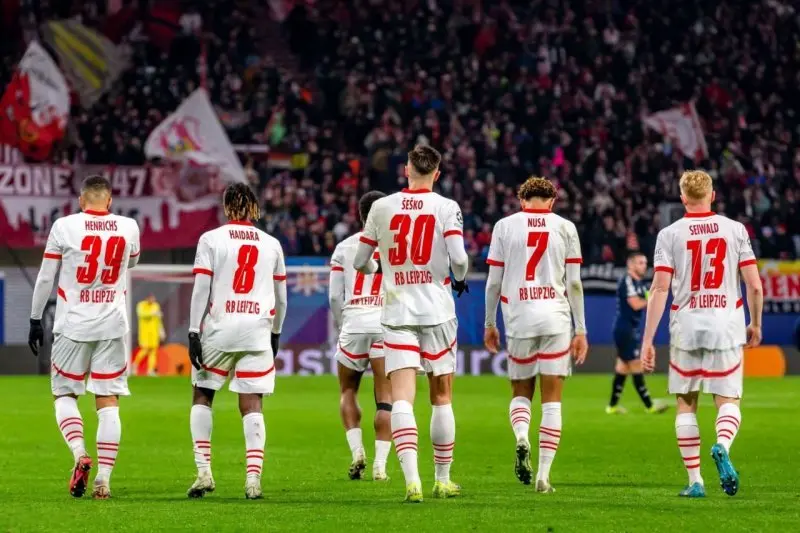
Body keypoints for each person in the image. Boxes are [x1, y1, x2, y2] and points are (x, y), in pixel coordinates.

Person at [353, 144, 469, 503]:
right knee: (441, 396)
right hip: (437, 312)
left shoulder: (381, 207)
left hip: (398, 313)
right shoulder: (447, 207)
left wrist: (377, 267)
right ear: (437, 173)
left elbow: (360, 261)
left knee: (402, 397)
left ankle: (412, 482)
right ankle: (442, 480)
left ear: (406, 170)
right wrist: (459, 277)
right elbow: (459, 258)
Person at [641, 170, 763, 498]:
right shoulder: (735, 229)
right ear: (712, 195)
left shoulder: (669, 234)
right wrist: (755, 323)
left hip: (687, 327)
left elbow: (660, 288)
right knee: (727, 399)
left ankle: (695, 481)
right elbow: (754, 284)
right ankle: (722, 444)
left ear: (682, 198)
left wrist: (648, 340)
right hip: (726, 325)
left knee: (686, 403)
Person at [28, 175, 141, 499]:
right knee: (108, 401)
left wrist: (35, 319)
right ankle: (103, 480)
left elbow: (46, 276)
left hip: (73, 325)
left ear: (81, 200)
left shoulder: (64, 226)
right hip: (112, 326)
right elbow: (132, 262)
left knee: (64, 394)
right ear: (109, 201)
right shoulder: (129, 226)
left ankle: (80, 453)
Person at [483, 176, 589, 493]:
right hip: (556, 318)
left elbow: (493, 282)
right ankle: (543, 476)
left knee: (521, 391)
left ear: (522, 201)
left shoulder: (505, 226)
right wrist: (581, 329)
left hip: (519, 318)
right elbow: (574, 284)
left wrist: (489, 322)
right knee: (552, 400)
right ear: (552, 202)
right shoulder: (565, 227)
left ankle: (521, 437)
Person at [185, 183, 288, 500]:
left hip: (220, 328)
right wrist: (276, 332)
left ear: (227, 207)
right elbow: (282, 298)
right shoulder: (272, 244)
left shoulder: (211, 239)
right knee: (252, 403)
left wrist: (193, 330)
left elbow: (201, 288)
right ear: (254, 208)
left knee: (203, 394)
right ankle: (253, 481)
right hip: (257, 330)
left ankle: (204, 473)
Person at [329, 191, 392, 481]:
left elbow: (334, 296)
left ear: (360, 215)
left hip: (353, 322)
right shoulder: (394, 245)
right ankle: (380, 466)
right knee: (386, 399)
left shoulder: (344, 247)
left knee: (348, 391)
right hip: (385, 323)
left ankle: (357, 452)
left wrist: (342, 323)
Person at [606, 251, 667, 414]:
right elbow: (635, 303)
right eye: (640, 263)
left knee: (622, 368)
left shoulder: (640, 283)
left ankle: (612, 407)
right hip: (625, 329)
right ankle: (649, 406)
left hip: (631, 328)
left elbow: (646, 301)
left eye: (645, 263)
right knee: (636, 365)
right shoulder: (627, 280)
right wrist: (653, 299)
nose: (644, 266)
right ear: (630, 264)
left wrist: (651, 299)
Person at [133, 294, 164, 376]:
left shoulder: (156, 305)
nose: (153, 300)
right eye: (151, 299)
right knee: (145, 349)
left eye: (154, 299)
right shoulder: (141, 305)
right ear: (147, 298)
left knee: (153, 351)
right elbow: (141, 314)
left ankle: (150, 370)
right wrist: (152, 313)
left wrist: (161, 331)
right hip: (144, 332)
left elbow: (158, 319)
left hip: (154, 332)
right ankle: (135, 364)